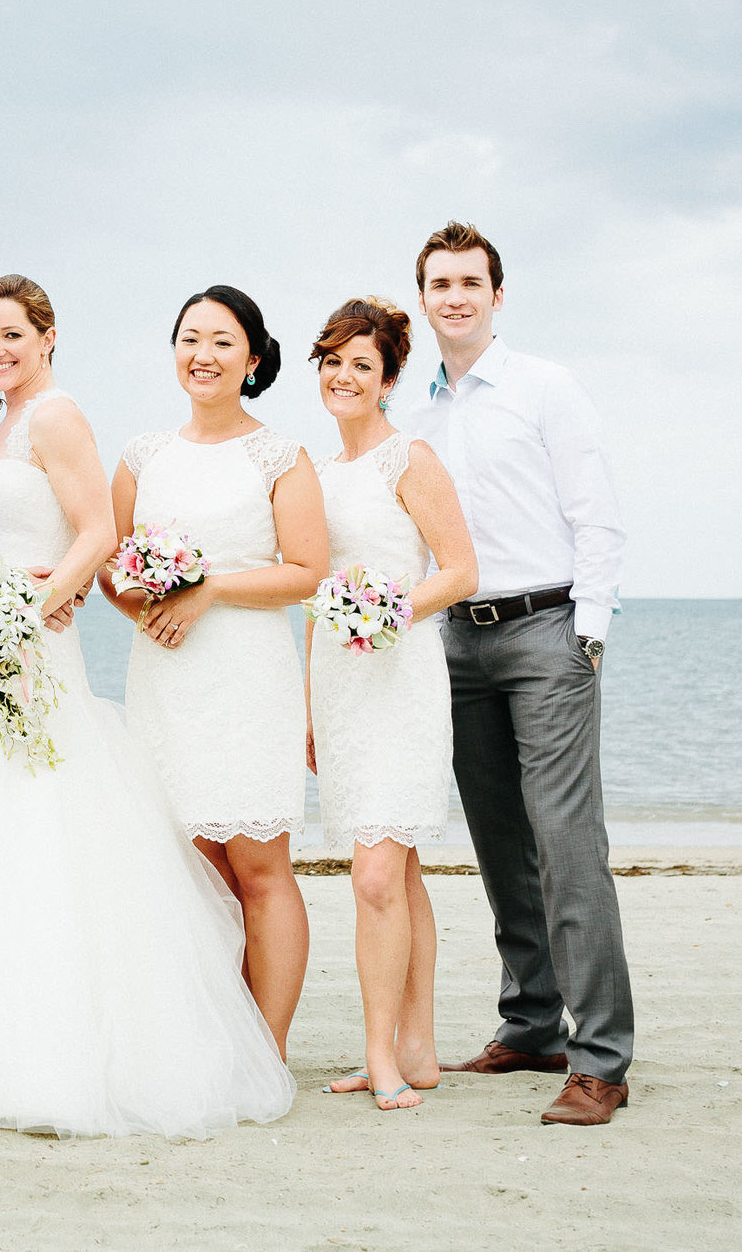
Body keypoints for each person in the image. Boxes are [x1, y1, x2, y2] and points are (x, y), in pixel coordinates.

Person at [0, 276, 295, 1137]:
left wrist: (36, 601)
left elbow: (98, 533)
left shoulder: (55, 415)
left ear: (48, 336)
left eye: (12, 334)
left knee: (55, 834)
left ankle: (87, 1056)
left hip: (37, 651)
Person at [407, 221, 633, 1127]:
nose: (454, 296)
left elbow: (598, 512)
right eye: (439, 283)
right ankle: (532, 1023)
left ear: (498, 295)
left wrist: (590, 634)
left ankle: (601, 1058)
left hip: (547, 634)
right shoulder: (413, 411)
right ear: (421, 298)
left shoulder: (547, 387)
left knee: (569, 845)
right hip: (455, 644)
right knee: (502, 846)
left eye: (470, 281)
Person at [101, 285, 326, 1055]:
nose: (204, 354)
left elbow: (307, 571)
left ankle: (268, 1046)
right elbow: (112, 568)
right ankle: (210, 1040)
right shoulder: (142, 456)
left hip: (247, 675)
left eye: (224, 341)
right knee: (191, 868)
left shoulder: (280, 456)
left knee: (260, 866)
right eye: (190, 338)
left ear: (254, 359)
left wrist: (212, 589)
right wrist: (148, 608)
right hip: (166, 676)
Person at [303, 297, 478, 1110]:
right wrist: (308, 705)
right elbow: (310, 590)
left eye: (361, 364)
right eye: (333, 360)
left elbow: (459, 569)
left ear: (389, 377)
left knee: (375, 873)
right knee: (395, 872)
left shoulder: (409, 457)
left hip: (401, 676)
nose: (344, 375)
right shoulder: (318, 469)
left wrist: (389, 611)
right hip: (340, 684)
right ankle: (417, 1048)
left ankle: (378, 1056)